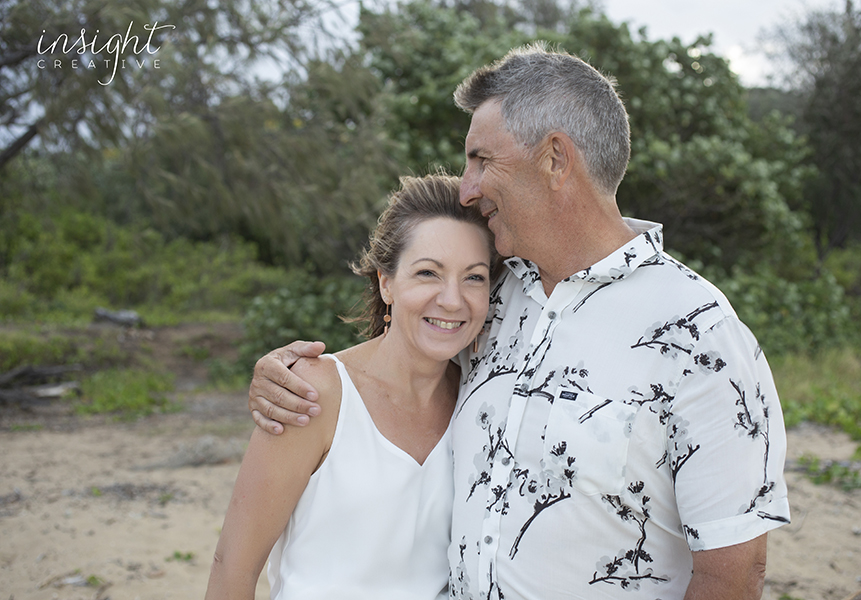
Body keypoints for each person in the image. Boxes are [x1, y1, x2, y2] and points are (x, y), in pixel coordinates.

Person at [248, 43, 791, 600]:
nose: (466, 187)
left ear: (555, 159)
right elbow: (396, 365)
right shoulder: (491, 294)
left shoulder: (699, 334)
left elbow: (733, 572)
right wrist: (286, 375)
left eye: (482, 160)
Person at [205, 174, 496, 600]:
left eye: (474, 277)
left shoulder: (482, 398)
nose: (453, 300)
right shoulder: (315, 392)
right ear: (386, 283)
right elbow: (233, 567)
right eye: (428, 273)